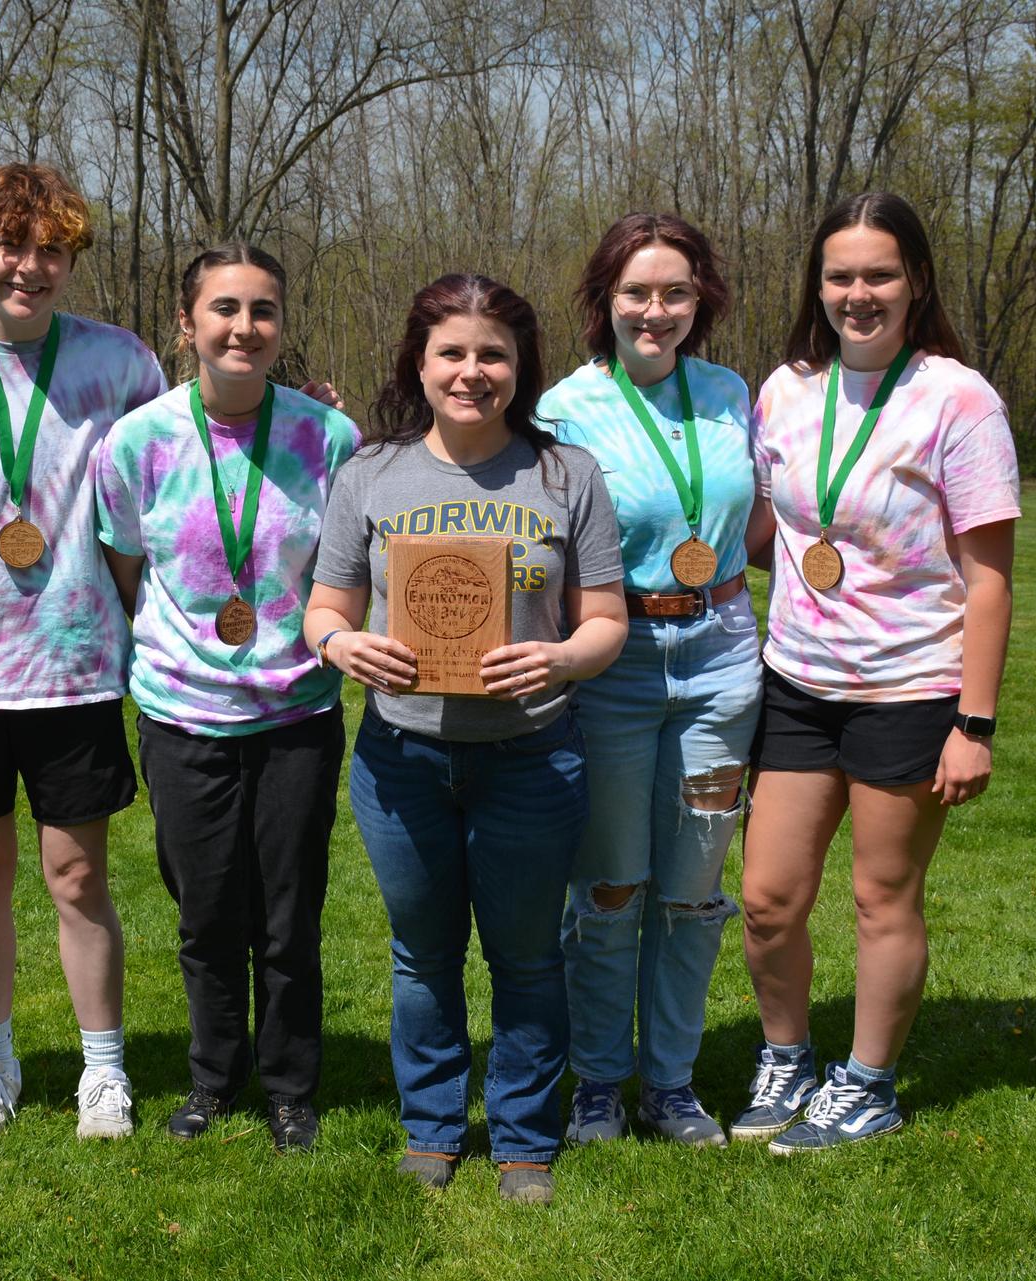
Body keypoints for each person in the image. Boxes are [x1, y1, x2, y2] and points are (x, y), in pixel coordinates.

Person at [304, 274, 628, 1205]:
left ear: (521, 368)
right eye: (453, 352)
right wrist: (340, 641)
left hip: (531, 754)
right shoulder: (370, 472)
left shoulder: (567, 475)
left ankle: (525, 1135)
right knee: (422, 955)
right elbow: (325, 605)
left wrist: (562, 659)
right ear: (419, 359)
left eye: (493, 354)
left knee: (527, 955)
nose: (472, 371)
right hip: (401, 759)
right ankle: (434, 1125)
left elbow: (605, 618)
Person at [736, 191, 1018, 1153]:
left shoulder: (959, 398)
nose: (858, 294)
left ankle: (869, 1084)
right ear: (817, 286)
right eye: (840, 275)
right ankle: (787, 1058)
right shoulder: (784, 388)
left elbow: (988, 581)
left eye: (879, 274)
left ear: (917, 281)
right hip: (796, 680)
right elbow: (770, 528)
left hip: (909, 687)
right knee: (769, 899)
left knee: (879, 897)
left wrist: (973, 725)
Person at [0, 163, 166, 1141]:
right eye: (11, 245)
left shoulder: (123, 365)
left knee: (79, 878)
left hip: (75, 663)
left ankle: (103, 1071)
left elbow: (155, 513)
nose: (31, 266)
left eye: (51, 248)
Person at [95, 243, 360, 1153]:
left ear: (281, 326)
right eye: (224, 308)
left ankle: (290, 1085)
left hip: (296, 711)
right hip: (182, 711)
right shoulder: (138, 442)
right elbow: (127, 566)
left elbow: (347, 572)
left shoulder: (328, 439)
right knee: (207, 912)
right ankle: (214, 1076)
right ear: (187, 322)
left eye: (263, 310)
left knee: (289, 915)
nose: (243, 327)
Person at [539, 213, 761, 1148]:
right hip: (614, 662)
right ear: (604, 300)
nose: (656, 310)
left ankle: (669, 1082)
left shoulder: (729, 392)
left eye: (675, 291)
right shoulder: (563, 407)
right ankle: (598, 1080)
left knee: (694, 886)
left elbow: (757, 518)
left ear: (700, 298)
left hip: (721, 655)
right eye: (637, 291)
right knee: (612, 883)